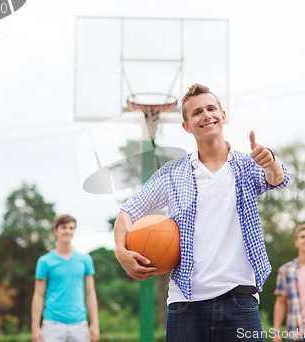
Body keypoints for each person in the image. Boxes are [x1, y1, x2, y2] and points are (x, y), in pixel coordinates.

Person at [114, 83, 290, 341]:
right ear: (186, 125)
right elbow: (127, 212)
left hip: (240, 299)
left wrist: (271, 161)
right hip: (186, 302)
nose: (206, 115)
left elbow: (277, 179)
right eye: (197, 112)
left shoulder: (247, 164)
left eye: (211, 108)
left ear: (223, 115)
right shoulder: (174, 173)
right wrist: (120, 251)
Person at [31, 214, 100, 342]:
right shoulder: (45, 261)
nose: (68, 231)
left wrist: (95, 324)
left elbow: (90, 293)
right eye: (64, 227)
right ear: (56, 230)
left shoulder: (85, 260)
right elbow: (38, 295)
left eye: (71, 228)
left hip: (79, 324)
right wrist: (35, 327)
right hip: (52, 325)